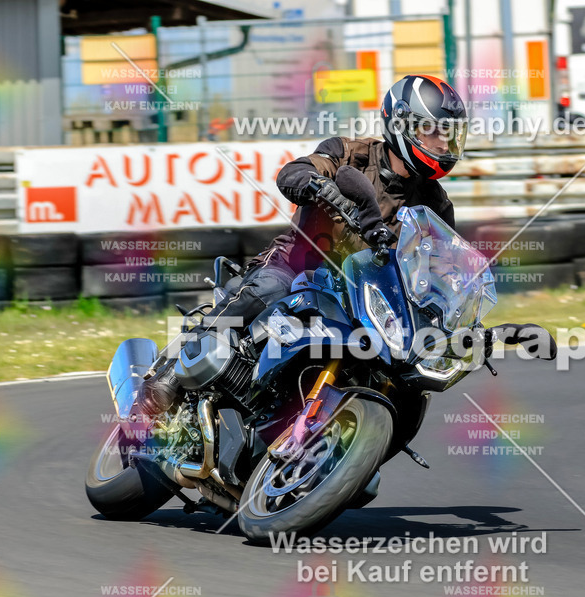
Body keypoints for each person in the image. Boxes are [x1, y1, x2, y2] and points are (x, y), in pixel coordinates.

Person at [137, 75, 469, 415]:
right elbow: (293, 172)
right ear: (402, 125)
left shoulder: (436, 207)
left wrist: (463, 315)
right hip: (299, 268)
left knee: (401, 380)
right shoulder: (349, 154)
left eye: (449, 134)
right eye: (434, 131)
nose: (443, 144)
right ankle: (170, 375)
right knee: (264, 290)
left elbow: (442, 271)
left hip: (362, 299)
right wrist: (319, 186)